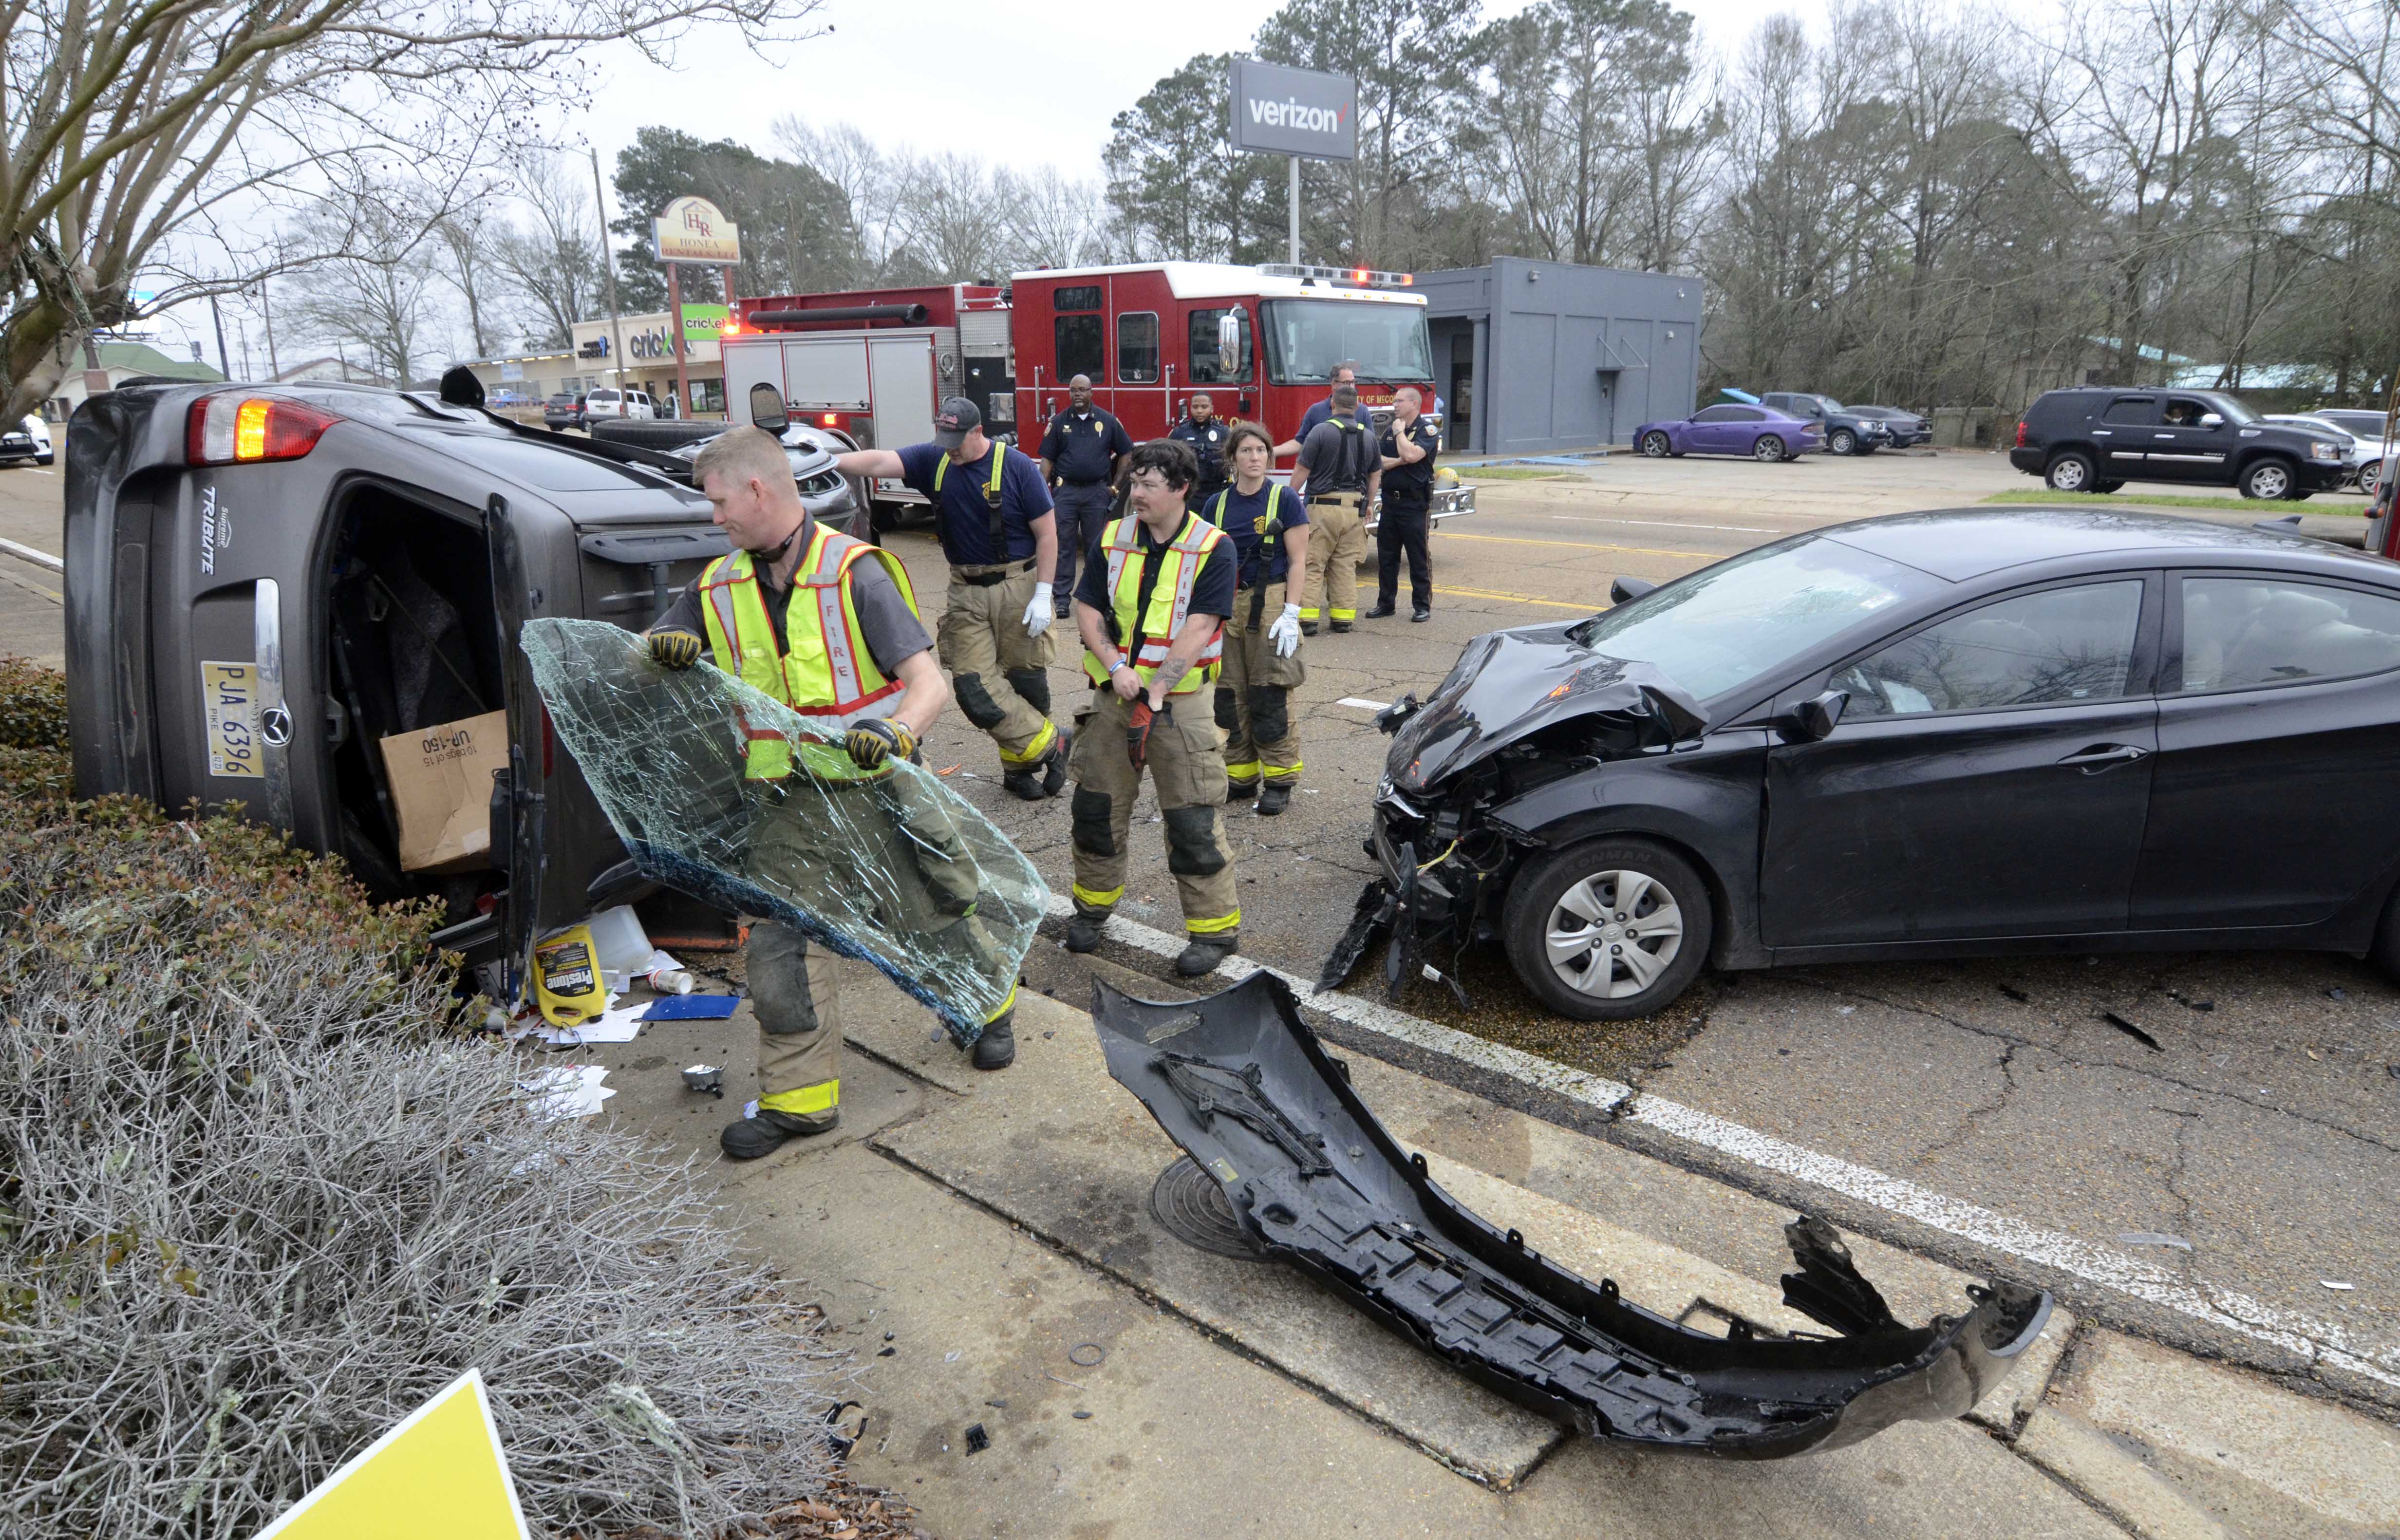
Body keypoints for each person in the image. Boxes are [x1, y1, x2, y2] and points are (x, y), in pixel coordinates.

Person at [643, 429, 1023, 1162]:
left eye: (719, 502)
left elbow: (928, 685)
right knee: (781, 951)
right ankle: (799, 1103)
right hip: (787, 804)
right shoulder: (716, 585)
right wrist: (661, 648)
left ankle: (988, 1005)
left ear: (758, 489)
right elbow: (658, 647)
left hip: (877, 790)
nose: (714, 518)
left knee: (932, 918)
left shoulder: (857, 574)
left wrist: (898, 732)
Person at [1063, 439, 1244, 976]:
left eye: (1148, 485)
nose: (1135, 493)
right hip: (1113, 697)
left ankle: (1213, 931)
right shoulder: (1114, 536)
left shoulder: (1214, 547)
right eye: (1133, 482)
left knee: (1192, 820)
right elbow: (1087, 605)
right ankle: (1091, 909)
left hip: (1180, 705)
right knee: (1095, 811)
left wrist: (1157, 689)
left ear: (1181, 489)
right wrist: (1116, 667)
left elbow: (1200, 626)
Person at [835, 398, 1069, 802]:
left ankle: (1019, 769)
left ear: (978, 432)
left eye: (957, 441)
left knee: (1025, 681)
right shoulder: (935, 459)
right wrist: (828, 460)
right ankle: (1053, 743)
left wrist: (1044, 593)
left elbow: (1048, 534)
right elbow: (878, 461)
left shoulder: (1016, 467)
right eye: (944, 439)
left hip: (1019, 585)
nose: (950, 449)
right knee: (975, 691)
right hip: (965, 590)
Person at [1201, 421, 1310, 814]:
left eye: (1262, 450)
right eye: (1246, 451)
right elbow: (1206, 562)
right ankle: (1241, 776)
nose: (1255, 458)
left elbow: (1299, 560)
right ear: (1233, 458)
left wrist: (1292, 612)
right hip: (1227, 606)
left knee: (1270, 694)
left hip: (1272, 605)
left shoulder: (1284, 499)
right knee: (1228, 696)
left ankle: (1280, 779)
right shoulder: (1216, 505)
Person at [1038, 375, 1133, 616]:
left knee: (1096, 547)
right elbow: (1047, 462)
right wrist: (1044, 494)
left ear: (1092, 392)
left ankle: (1095, 597)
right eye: (1073, 391)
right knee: (1064, 546)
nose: (1077, 394)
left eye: (1082, 390)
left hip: (1097, 493)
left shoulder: (1108, 421)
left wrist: (1115, 487)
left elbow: (1126, 452)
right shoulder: (1058, 423)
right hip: (1066, 493)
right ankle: (1062, 599)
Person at [1289, 380, 1377, 635]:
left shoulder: (1320, 432)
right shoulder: (1369, 436)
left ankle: (1308, 620)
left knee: (1312, 564)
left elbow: (1302, 469)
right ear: (1357, 407)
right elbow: (1375, 475)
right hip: (1355, 509)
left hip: (1323, 508)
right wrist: (1369, 504)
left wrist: (1290, 497)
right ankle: (1343, 619)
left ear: (1333, 404)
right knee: (1345, 565)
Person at [1369, 386, 1439, 623]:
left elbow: (1413, 455)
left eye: (1400, 401)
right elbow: (1378, 462)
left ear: (1414, 404)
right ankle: (1386, 604)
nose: (1395, 405)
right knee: (1387, 557)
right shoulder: (1390, 430)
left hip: (1414, 504)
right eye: (1395, 401)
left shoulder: (1427, 430)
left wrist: (1400, 434)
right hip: (1391, 502)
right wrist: (1400, 460)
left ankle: (1422, 606)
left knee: (1418, 557)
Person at [1274, 361, 1358, 458]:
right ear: (1334, 384)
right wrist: (1272, 452)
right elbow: (1300, 443)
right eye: (1347, 383)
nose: (1352, 387)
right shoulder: (1315, 411)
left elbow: (1370, 447)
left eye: (1353, 382)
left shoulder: (1363, 412)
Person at [1169, 394, 1231, 507]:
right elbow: (1169, 462)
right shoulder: (1179, 432)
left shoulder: (1224, 432)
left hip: (1217, 492)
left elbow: (1234, 460)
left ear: (1212, 409)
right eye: (1195, 407)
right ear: (1190, 409)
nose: (1199, 411)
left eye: (1204, 407)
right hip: (1189, 493)